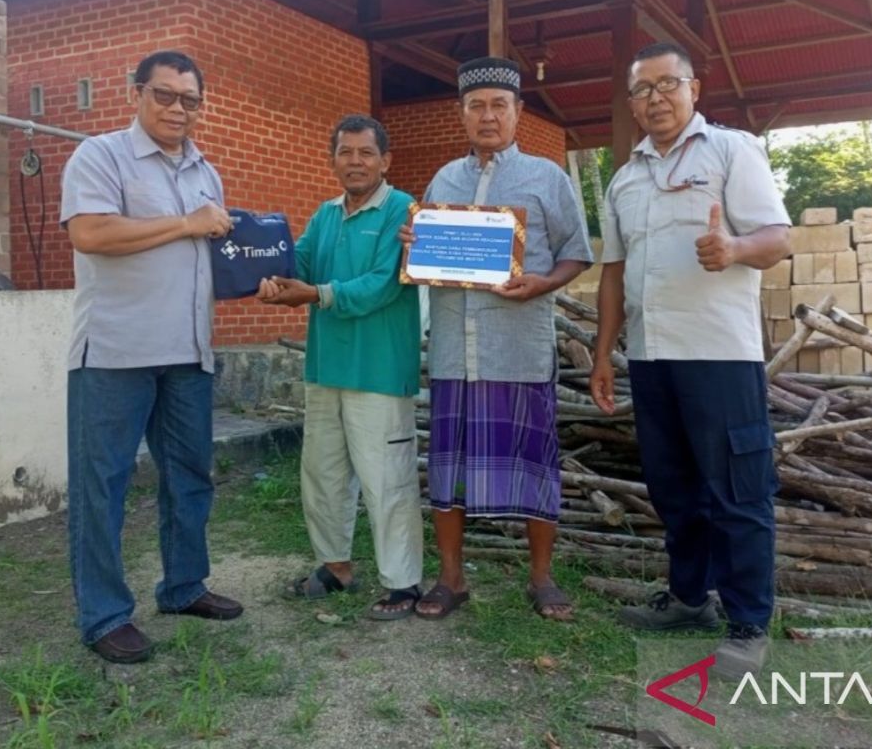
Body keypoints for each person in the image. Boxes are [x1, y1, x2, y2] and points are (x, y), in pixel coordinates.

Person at [589, 42, 791, 675]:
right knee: (674, 488)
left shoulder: (733, 151)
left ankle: (749, 620)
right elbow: (613, 275)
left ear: (694, 88)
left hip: (720, 356)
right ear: (631, 103)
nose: (656, 98)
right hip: (651, 358)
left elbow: (777, 239)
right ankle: (687, 599)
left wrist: (732, 248)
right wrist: (603, 353)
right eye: (643, 90)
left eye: (667, 84)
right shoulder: (624, 179)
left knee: (736, 489)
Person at [61, 50, 243, 664]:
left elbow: (211, 254)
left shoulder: (205, 173)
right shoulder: (101, 155)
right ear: (137, 92)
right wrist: (186, 222)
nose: (176, 109)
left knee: (190, 478)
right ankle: (104, 615)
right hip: (115, 352)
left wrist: (263, 277)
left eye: (189, 99)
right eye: (164, 95)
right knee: (102, 485)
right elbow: (91, 234)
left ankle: (184, 586)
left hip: (189, 353)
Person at [403, 57, 593, 622]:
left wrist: (544, 284)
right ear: (461, 113)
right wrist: (415, 242)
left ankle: (541, 578)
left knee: (534, 464)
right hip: (453, 355)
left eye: (499, 105)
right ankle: (451, 579)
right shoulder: (443, 180)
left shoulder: (546, 178)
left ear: (518, 113)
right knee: (448, 465)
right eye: (476, 105)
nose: (488, 116)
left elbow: (576, 253)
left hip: (517, 348)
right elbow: (428, 258)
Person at [257, 114, 424, 620]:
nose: (355, 161)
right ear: (332, 159)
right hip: (326, 368)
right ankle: (336, 567)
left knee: (387, 479)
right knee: (323, 475)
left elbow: (384, 283)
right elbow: (299, 262)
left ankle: (404, 584)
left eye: (365, 152)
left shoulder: (405, 211)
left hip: (378, 369)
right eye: (345, 152)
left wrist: (315, 294)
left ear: (385, 160)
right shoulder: (325, 214)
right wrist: (267, 272)